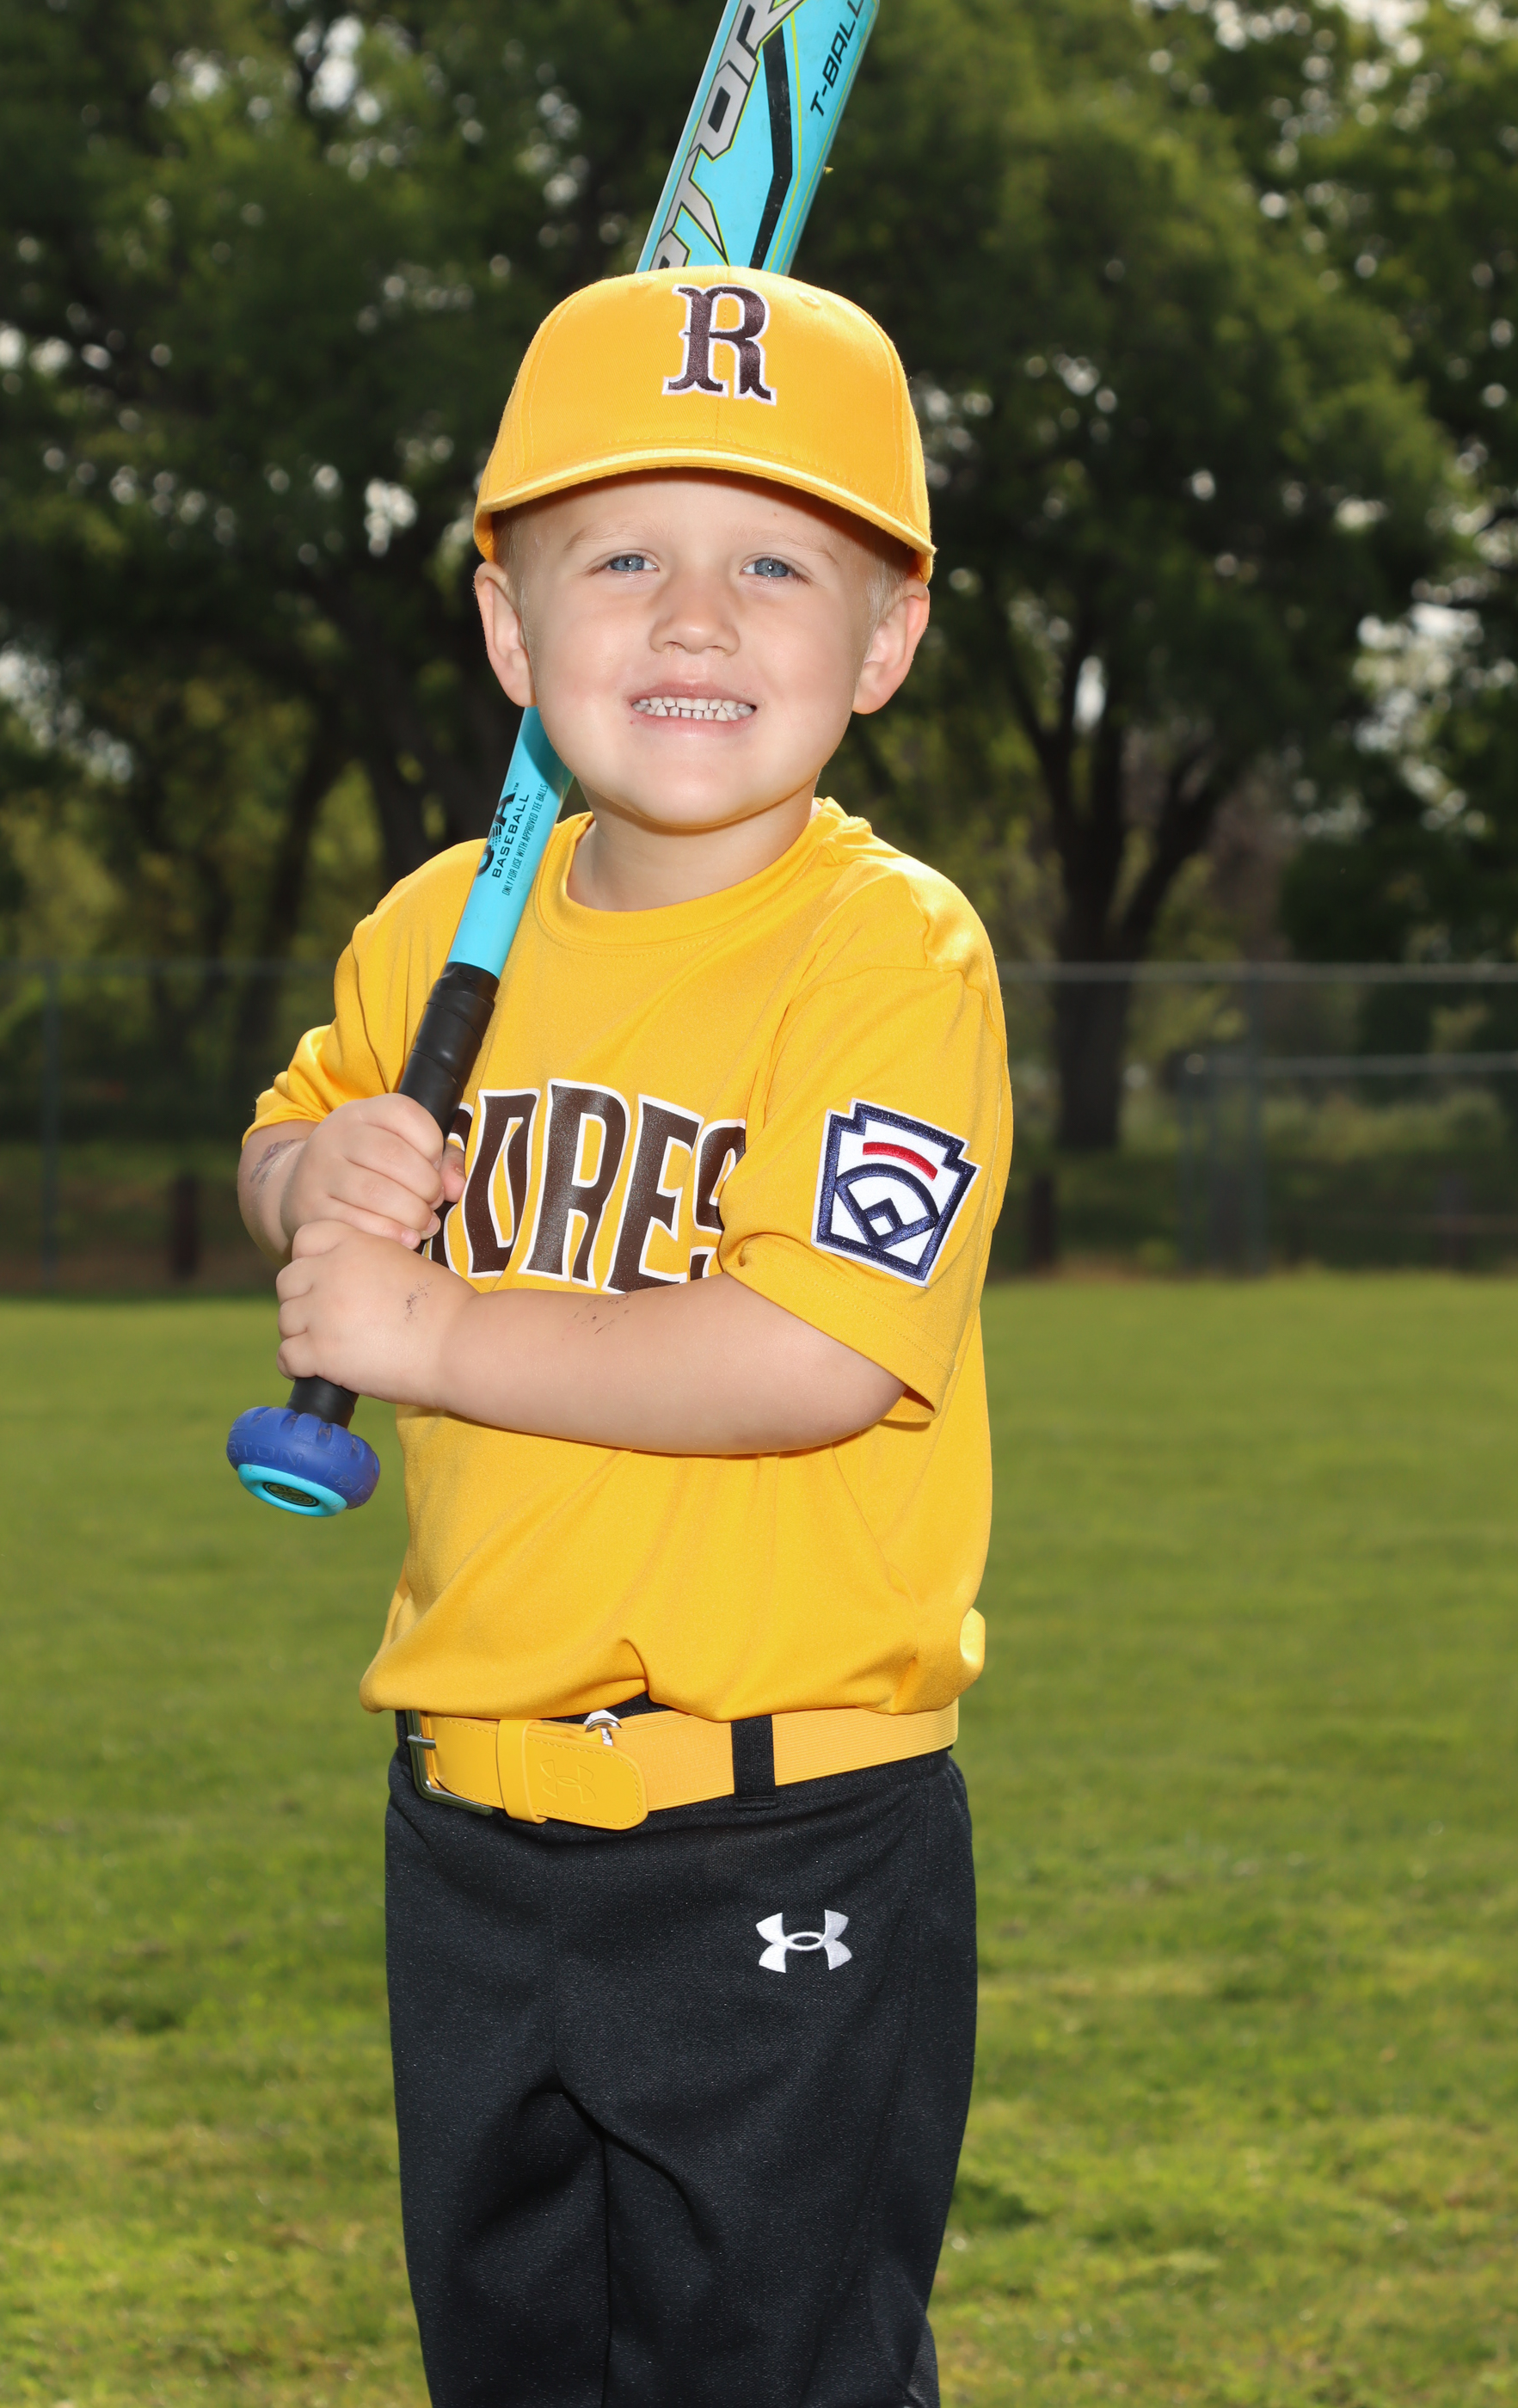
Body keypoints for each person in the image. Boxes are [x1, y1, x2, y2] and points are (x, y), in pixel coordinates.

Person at [238, 266, 1011, 2408]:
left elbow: (808, 1352)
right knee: (512, 2359)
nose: (693, 618)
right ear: (510, 629)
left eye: (774, 562)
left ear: (884, 639)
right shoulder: (437, 929)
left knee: (770, 2368)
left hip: (780, 1831)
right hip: (469, 1828)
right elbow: (295, 1136)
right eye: (619, 559)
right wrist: (312, 1181)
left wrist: (428, 1320)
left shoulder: (884, 952)